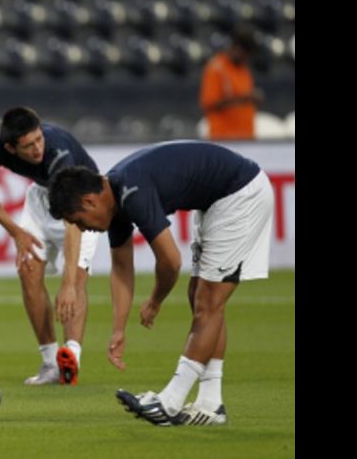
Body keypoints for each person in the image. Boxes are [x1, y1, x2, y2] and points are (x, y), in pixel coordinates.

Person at [47, 140, 273, 426]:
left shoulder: (132, 191)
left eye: (78, 220)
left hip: (240, 194)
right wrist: (118, 329)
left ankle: (170, 402)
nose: (82, 228)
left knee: (207, 301)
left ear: (89, 201)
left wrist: (155, 300)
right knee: (200, 296)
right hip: (217, 201)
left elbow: (171, 261)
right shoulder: (114, 199)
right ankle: (210, 403)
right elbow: (121, 267)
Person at [0, 106, 100, 386]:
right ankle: (51, 363)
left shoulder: (59, 153)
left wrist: (68, 283)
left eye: (39, 139)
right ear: (10, 147)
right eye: (29, 145)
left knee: (76, 279)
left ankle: (71, 357)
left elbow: (72, 223)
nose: (38, 148)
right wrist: (15, 232)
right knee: (27, 269)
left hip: (83, 203)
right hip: (42, 198)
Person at [199, 24, 263, 140]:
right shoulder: (216, 67)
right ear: (237, 48)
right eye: (246, 53)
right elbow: (209, 104)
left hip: (247, 138)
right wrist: (242, 99)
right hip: (224, 139)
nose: (247, 58)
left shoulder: (243, 69)